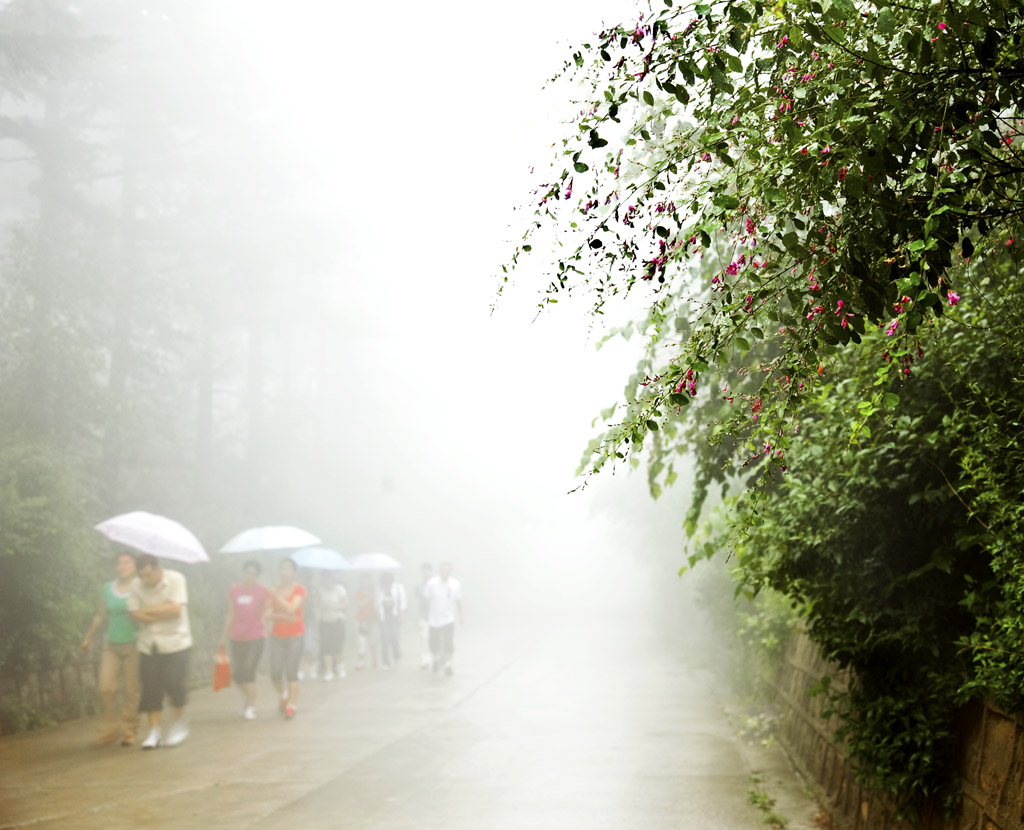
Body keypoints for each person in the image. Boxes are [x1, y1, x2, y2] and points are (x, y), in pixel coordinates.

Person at [127, 554, 193, 749]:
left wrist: (148, 610)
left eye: (149, 575)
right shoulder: (135, 585)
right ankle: (154, 731)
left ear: (158, 570)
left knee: (174, 683)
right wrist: (160, 610)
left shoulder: (176, 579)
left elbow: (176, 610)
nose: (145, 579)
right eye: (142, 575)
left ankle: (179, 723)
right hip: (149, 644)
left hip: (176, 642)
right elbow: (134, 614)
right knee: (150, 688)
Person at [80, 552, 140, 746]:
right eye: (120, 563)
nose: (123, 566)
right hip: (111, 644)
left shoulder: (140, 587)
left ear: (134, 566)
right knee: (106, 687)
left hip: (135, 644)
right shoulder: (107, 589)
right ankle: (110, 727)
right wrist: (88, 638)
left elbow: (147, 612)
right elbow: (100, 615)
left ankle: (129, 730)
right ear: (116, 567)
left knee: (131, 690)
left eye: (127, 562)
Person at [218, 560, 269, 720]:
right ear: (243, 573)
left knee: (248, 670)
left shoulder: (262, 591)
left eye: (253, 574)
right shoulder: (235, 590)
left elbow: (266, 611)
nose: (250, 577)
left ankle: (252, 706)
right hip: (238, 636)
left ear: (258, 576)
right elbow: (230, 614)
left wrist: (264, 621)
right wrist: (223, 638)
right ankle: (248, 699)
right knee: (238, 675)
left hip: (256, 636)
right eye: (247, 573)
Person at [268, 558, 306, 719]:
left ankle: (292, 704)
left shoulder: (300, 590)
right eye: (282, 568)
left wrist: (278, 598)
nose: (285, 572)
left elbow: (293, 608)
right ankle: (283, 695)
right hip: (277, 636)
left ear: (294, 572)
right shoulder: (274, 590)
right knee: (275, 672)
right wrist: (284, 615)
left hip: (295, 636)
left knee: (291, 671)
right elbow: (268, 614)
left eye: (288, 569)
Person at [424, 561, 462, 675]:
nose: (445, 573)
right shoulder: (431, 583)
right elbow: (426, 599)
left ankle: (448, 665)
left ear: (450, 571)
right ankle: (435, 660)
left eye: (447, 570)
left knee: (448, 642)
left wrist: (461, 615)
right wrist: (426, 615)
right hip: (434, 619)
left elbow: (458, 600)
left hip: (448, 619)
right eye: (443, 570)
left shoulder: (455, 584)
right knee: (434, 643)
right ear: (439, 571)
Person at [318, 571, 347, 681]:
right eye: (324, 577)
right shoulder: (320, 590)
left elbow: (345, 603)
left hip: (337, 621)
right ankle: (328, 670)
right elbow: (317, 603)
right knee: (326, 646)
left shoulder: (340, 589)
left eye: (329, 577)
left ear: (333, 578)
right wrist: (320, 604)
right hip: (324, 621)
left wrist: (335, 607)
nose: (327, 580)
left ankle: (340, 667)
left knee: (337, 645)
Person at [377, 572, 407, 669]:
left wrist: (401, 614)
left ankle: (396, 653)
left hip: (395, 617)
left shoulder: (398, 588)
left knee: (394, 637)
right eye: (384, 583)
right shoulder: (380, 590)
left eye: (388, 582)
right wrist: (379, 616)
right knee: (384, 639)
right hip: (384, 618)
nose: (386, 585)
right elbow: (378, 604)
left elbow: (403, 601)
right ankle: (386, 661)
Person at [353, 574, 379, 670]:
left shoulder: (375, 591)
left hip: (373, 619)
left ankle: (374, 659)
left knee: (373, 641)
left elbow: (378, 604)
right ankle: (361, 662)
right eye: (362, 580)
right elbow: (359, 605)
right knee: (361, 641)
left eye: (366, 580)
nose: (364, 582)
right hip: (361, 620)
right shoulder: (358, 592)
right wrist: (368, 597)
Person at [415, 563, 433, 670]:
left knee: (434, 639)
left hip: (435, 616)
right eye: (423, 571)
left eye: (427, 571)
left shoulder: (436, 583)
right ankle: (425, 660)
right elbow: (418, 597)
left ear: (431, 572)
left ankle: (435, 658)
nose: (425, 573)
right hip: (423, 615)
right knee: (424, 638)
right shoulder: (418, 585)